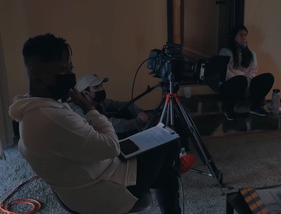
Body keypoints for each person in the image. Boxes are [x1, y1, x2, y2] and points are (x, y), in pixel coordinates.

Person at [9, 33, 181, 214]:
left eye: (70, 67)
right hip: (101, 192)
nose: (70, 74)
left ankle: (169, 175)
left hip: (90, 174)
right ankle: (173, 168)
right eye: (63, 68)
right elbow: (112, 147)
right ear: (36, 72)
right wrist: (87, 107)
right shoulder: (52, 118)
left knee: (165, 171)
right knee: (166, 142)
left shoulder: (34, 109)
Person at [218, 25, 274, 121]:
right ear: (234, 37)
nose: (244, 38)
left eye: (245, 35)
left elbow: (252, 72)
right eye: (240, 35)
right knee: (241, 80)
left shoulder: (251, 54)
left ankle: (255, 107)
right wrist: (243, 80)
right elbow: (225, 72)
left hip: (246, 86)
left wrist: (247, 84)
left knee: (268, 77)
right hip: (230, 86)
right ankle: (228, 109)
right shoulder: (225, 52)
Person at [68, 73, 148, 139]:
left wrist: (139, 112)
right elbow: (113, 125)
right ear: (86, 93)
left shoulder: (100, 103)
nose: (102, 89)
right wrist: (139, 122)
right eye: (96, 87)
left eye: (101, 85)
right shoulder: (79, 110)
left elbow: (126, 104)